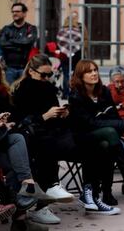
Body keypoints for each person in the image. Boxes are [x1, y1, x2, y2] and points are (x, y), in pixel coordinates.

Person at [11, 54, 77, 224]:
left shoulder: (47, 88)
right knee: (47, 144)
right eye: (43, 75)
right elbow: (20, 121)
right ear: (32, 72)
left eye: (50, 75)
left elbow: (54, 112)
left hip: (49, 132)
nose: (47, 78)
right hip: (28, 135)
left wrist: (63, 114)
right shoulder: (22, 89)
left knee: (77, 139)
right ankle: (50, 189)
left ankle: (54, 191)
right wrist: (44, 116)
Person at [69, 60, 124, 215]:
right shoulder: (76, 96)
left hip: (103, 137)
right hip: (82, 136)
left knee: (107, 145)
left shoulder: (103, 92)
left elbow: (112, 113)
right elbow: (89, 123)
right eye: (89, 71)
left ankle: (104, 193)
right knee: (111, 134)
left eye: (95, 70)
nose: (94, 73)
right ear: (80, 75)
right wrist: (122, 127)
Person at [0, 3, 38, 84]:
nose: (14, 13)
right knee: (10, 93)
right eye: (13, 12)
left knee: (24, 94)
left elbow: (29, 42)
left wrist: (11, 41)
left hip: (26, 69)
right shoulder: (6, 29)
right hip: (9, 69)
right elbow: (2, 44)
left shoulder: (31, 28)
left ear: (24, 13)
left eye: (17, 11)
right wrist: (21, 46)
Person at [56, 11, 87, 99]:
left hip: (65, 55)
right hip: (77, 54)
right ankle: (75, 93)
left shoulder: (62, 29)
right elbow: (85, 40)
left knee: (66, 74)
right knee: (77, 74)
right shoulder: (79, 28)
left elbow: (59, 41)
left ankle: (66, 94)